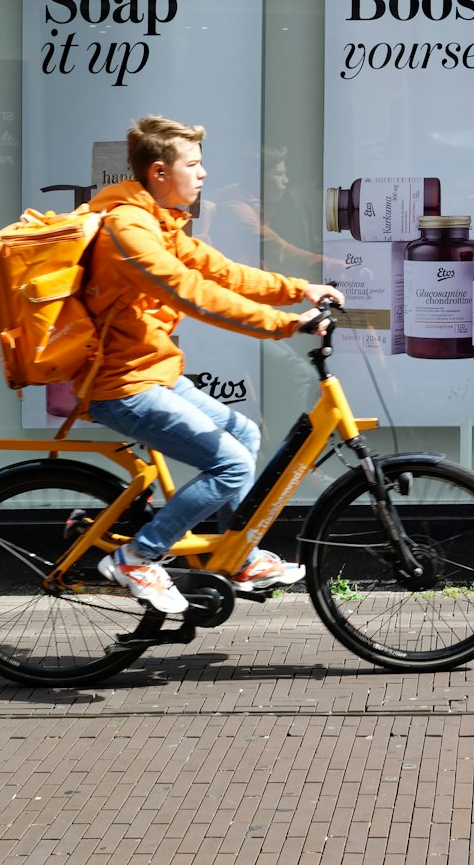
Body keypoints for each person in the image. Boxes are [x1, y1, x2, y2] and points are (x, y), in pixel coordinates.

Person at [80, 115, 343, 613]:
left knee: (243, 433)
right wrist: (286, 323)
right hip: (123, 385)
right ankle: (137, 557)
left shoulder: (156, 219)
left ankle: (236, 556)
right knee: (231, 463)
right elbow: (193, 294)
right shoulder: (128, 229)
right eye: (194, 164)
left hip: (153, 372)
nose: (203, 174)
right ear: (159, 172)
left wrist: (298, 290)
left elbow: (218, 269)